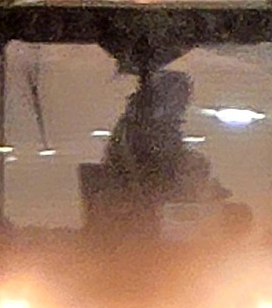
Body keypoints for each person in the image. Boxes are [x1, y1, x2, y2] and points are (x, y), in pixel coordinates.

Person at [95, 68, 235, 232]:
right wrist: (197, 177)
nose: (182, 105)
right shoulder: (143, 129)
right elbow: (158, 170)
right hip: (139, 206)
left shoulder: (146, 125)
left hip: (147, 201)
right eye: (178, 98)